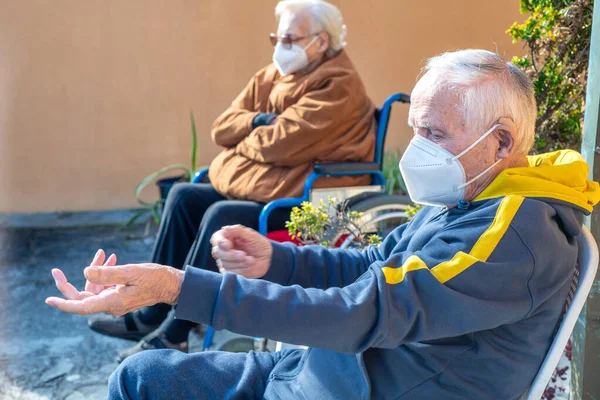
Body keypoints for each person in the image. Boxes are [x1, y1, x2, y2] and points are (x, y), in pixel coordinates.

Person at [46, 49, 600, 399]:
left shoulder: (516, 235)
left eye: (435, 134)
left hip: (363, 385)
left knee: (140, 381)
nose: (415, 151)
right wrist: (278, 258)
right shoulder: (473, 193)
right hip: (329, 371)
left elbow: (366, 312)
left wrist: (175, 287)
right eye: (416, 131)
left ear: (500, 143)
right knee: (139, 376)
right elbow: (374, 266)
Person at [87, 0, 376, 361]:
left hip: (309, 197)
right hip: (271, 184)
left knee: (222, 214)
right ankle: (150, 314)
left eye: (290, 38)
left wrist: (246, 144)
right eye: (277, 37)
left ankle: (176, 331)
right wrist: (256, 123)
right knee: (184, 195)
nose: (280, 46)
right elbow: (223, 127)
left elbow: (280, 144)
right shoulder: (272, 74)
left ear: (320, 42)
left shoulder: (338, 84)